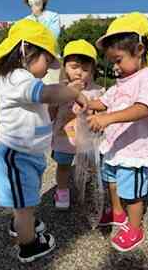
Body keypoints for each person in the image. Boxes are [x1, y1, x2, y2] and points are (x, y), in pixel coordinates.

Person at [0, 19, 87, 263]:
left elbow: (45, 94)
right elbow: (47, 93)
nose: (49, 66)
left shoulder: (22, 78)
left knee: (25, 198)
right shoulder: (17, 77)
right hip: (17, 155)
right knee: (24, 201)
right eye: (47, 60)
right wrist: (73, 91)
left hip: (27, 153)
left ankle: (21, 220)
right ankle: (28, 245)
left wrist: (67, 92)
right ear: (25, 51)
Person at [86, 12, 148, 252]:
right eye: (112, 62)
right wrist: (84, 102)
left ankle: (135, 226)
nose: (115, 67)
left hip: (134, 151)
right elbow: (104, 102)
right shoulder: (122, 81)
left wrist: (108, 118)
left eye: (118, 60)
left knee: (132, 193)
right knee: (112, 182)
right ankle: (117, 213)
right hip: (114, 147)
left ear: (139, 50)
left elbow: (143, 108)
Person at [51, 39, 105, 210]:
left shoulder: (98, 90)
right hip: (64, 138)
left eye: (85, 69)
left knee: (91, 168)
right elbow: (50, 114)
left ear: (93, 70)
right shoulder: (58, 89)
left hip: (89, 140)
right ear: (64, 67)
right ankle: (62, 192)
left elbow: (103, 113)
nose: (79, 73)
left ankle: (89, 191)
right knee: (64, 166)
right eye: (74, 67)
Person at [23, 0, 61, 84]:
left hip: (52, 60)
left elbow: (52, 36)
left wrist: (38, 15)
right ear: (27, 1)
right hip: (31, 61)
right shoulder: (24, 21)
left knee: (52, 93)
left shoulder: (53, 16)